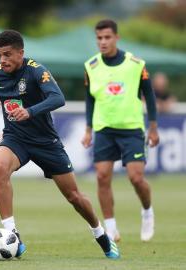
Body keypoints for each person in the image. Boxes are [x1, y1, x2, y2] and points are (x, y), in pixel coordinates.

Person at [0, 30, 120, 259]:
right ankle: (11, 233)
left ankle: (100, 234)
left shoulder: (36, 71)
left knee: (74, 197)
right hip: (15, 139)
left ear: (21, 53)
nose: (2, 60)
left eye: (7, 54)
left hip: (47, 143)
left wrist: (30, 112)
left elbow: (58, 98)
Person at [81, 19, 160, 242]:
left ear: (117, 37)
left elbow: (151, 97)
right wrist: (88, 130)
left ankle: (147, 211)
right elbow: (89, 101)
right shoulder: (91, 66)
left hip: (131, 129)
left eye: (107, 37)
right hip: (104, 129)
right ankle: (111, 228)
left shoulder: (136, 64)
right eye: (99, 38)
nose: (103, 42)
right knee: (102, 176)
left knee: (136, 178)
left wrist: (153, 127)